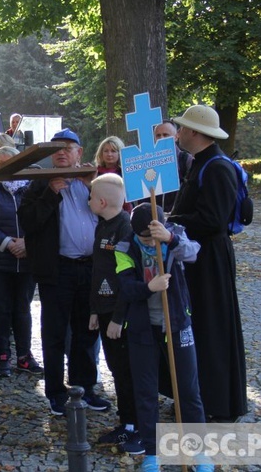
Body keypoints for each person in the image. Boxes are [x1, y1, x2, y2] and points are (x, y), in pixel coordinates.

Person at [17, 128, 109, 416]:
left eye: (68, 148)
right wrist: (50, 193)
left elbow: (114, 212)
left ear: (79, 152)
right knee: (55, 333)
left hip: (90, 268)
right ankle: (56, 392)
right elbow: (28, 223)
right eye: (56, 148)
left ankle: (85, 388)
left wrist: (93, 184)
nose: (61, 152)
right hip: (57, 271)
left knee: (87, 332)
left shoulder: (92, 181)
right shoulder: (38, 184)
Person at [168, 105, 247, 422]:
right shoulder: (202, 163)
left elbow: (213, 220)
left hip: (209, 259)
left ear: (195, 133)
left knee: (212, 327)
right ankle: (199, 397)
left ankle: (217, 404)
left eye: (183, 128)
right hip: (200, 256)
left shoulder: (216, 167)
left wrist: (174, 222)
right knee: (199, 326)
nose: (179, 133)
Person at [115, 203, 209, 471]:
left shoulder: (175, 233)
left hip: (177, 325)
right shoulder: (125, 247)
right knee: (145, 393)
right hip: (143, 330)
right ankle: (152, 454)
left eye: (152, 236)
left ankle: (200, 453)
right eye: (143, 238)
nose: (147, 241)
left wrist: (170, 239)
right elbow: (127, 288)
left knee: (189, 391)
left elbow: (193, 253)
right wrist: (149, 287)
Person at [0, 146, 41, 377]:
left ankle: (24, 355)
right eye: (2, 163)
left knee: (22, 308)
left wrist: (28, 243)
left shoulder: (31, 186)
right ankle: (3, 355)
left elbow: (40, 219)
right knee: (0, 309)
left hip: (25, 260)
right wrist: (6, 242)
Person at [86, 173, 141, 453]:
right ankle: (126, 420)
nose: (88, 201)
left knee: (125, 370)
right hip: (104, 311)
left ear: (102, 201)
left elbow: (126, 279)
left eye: (92, 197)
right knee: (116, 368)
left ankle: (133, 425)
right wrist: (95, 310)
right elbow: (99, 272)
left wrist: (119, 317)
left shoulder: (124, 229)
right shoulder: (102, 226)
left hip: (120, 316)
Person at [154, 119, 193, 212]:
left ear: (176, 137)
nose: (161, 139)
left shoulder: (186, 160)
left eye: (166, 135)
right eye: (158, 135)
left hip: (178, 218)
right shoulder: (147, 162)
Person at [94, 136, 132, 213]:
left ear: (120, 153)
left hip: (124, 214)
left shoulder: (126, 173)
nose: (109, 154)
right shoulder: (95, 173)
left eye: (113, 151)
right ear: (101, 153)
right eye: (106, 151)